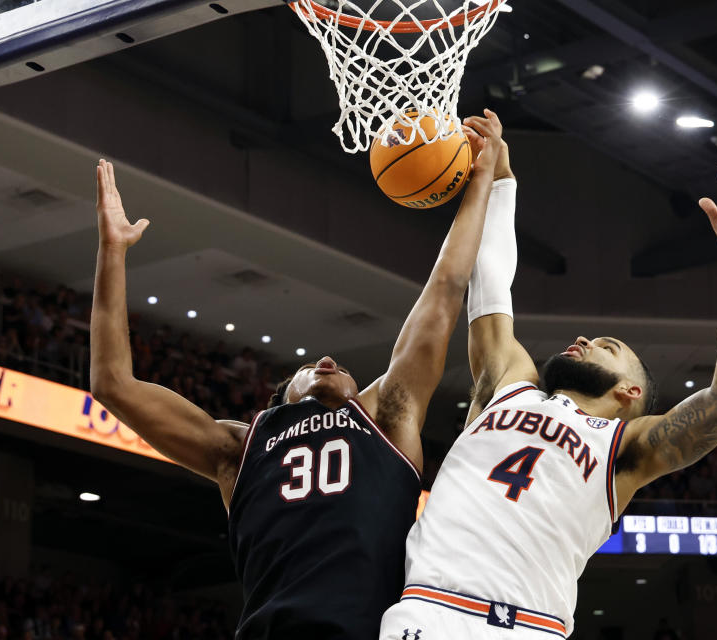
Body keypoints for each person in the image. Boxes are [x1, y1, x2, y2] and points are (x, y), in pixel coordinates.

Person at [89, 111, 504, 640]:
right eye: (310, 367)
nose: (328, 362)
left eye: (342, 369)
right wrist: (112, 253)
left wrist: (483, 180)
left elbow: (446, 288)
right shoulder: (240, 448)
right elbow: (113, 384)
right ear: (279, 396)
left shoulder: (387, 413)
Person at [380, 140, 717, 639]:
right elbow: (492, 287)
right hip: (429, 611)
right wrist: (501, 181)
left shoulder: (625, 450)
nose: (585, 340)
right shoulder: (508, 385)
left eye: (607, 346)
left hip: (530, 627)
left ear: (631, 392)